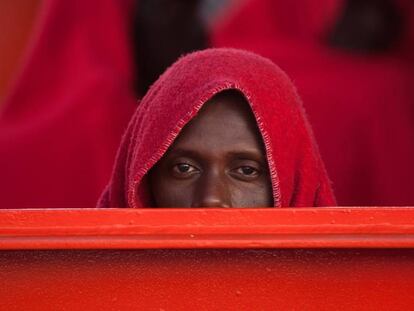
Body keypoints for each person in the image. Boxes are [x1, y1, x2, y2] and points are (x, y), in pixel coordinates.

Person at [98, 48, 336, 208]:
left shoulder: (341, 284)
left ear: (295, 184)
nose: (211, 198)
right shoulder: (88, 282)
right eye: (184, 168)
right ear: (143, 183)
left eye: (246, 171)